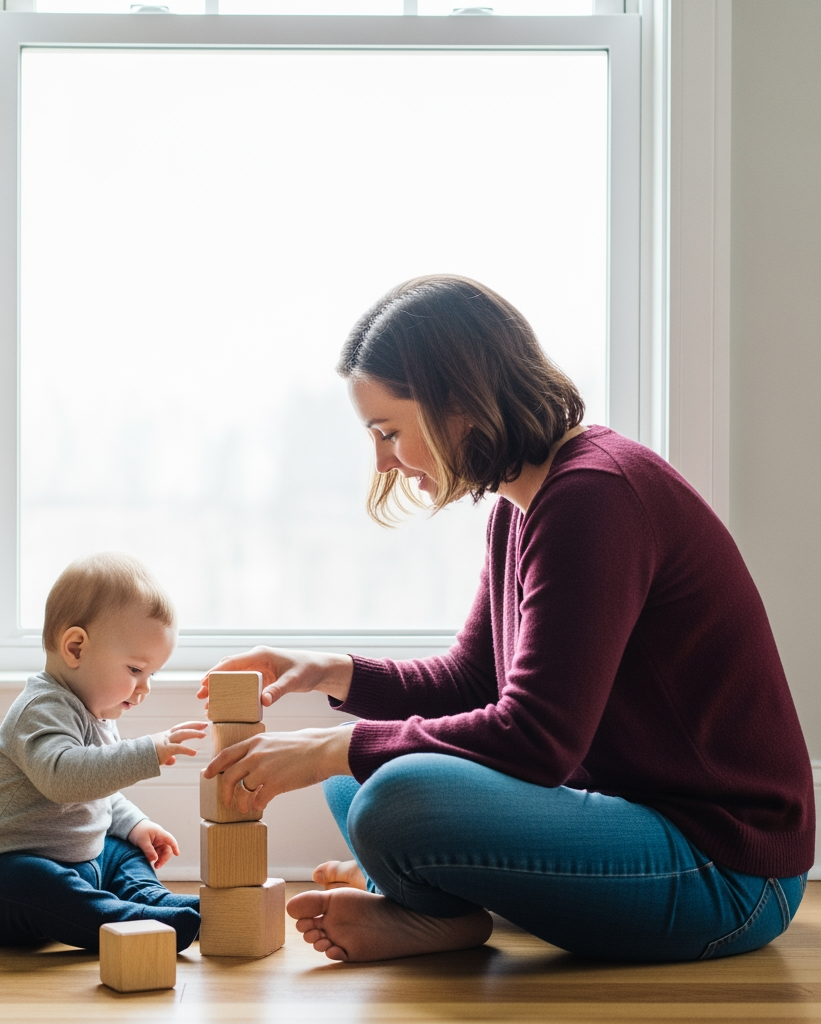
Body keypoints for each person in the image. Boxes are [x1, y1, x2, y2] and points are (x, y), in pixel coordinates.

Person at [200, 274, 815, 964]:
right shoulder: (521, 506)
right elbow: (472, 679)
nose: (382, 461)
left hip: (729, 872)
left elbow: (536, 737)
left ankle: (421, 900)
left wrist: (325, 749)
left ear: (457, 404)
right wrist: (329, 672)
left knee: (391, 792)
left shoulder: (596, 497)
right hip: (635, 823)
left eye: (388, 432)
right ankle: (424, 902)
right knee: (362, 779)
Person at [0, 552, 205, 952]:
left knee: (121, 850)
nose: (145, 687)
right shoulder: (40, 707)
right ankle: (126, 922)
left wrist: (135, 825)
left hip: (74, 863)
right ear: (75, 648)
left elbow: (99, 790)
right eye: (134, 670)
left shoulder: (97, 714)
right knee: (34, 880)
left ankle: (153, 901)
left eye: (152, 674)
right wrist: (148, 752)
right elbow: (64, 778)